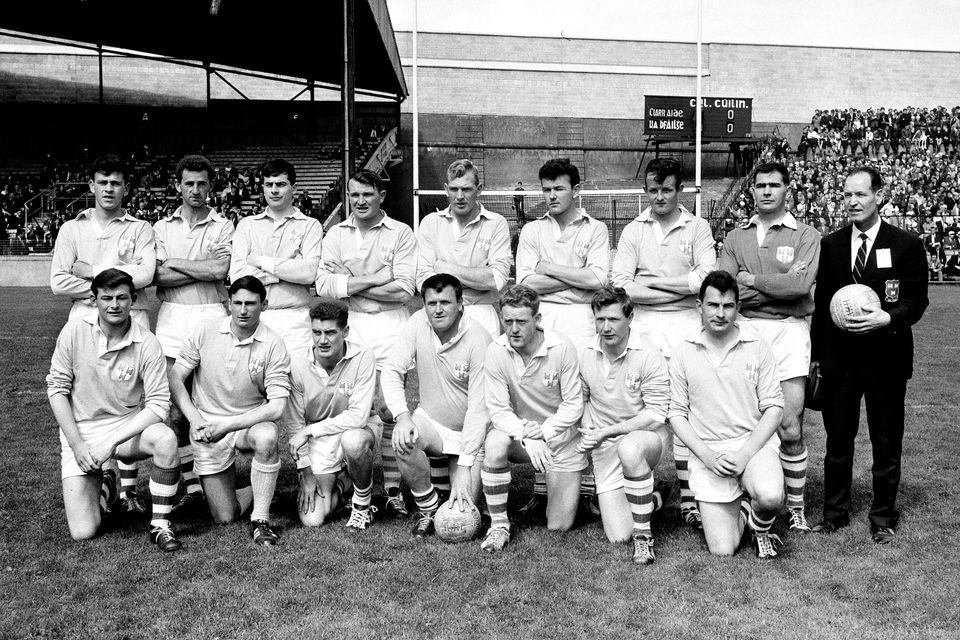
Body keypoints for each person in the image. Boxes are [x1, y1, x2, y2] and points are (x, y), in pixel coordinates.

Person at [811, 166, 929, 544]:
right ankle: (834, 514)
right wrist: (818, 358)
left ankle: (882, 516)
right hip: (841, 362)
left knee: (886, 440)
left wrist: (887, 317)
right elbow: (821, 306)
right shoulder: (830, 245)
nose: (852, 202)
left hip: (887, 359)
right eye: (846, 195)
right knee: (838, 442)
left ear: (879, 195)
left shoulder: (906, 245)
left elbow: (917, 301)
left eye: (860, 194)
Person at [610, 157, 717, 531]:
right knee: (644, 411)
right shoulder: (633, 231)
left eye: (666, 189)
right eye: (653, 190)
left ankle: (690, 498)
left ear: (680, 190)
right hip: (644, 333)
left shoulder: (698, 226)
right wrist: (681, 288)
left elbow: (705, 279)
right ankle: (647, 487)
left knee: (685, 414)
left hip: (688, 330)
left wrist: (651, 284)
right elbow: (622, 285)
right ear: (645, 191)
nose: (659, 196)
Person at [50, 154, 158, 514]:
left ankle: (127, 489)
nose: (109, 188)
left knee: (132, 399)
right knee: (90, 396)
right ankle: (105, 477)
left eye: (116, 183)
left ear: (125, 187)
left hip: (132, 320)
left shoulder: (140, 227)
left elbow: (144, 276)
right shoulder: (72, 228)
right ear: (92, 185)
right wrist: (103, 293)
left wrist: (93, 271)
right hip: (83, 320)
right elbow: (58, 281)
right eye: (103, 182)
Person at [46, 269, 182, 552]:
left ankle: (160, 525)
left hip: (125, 426)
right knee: (83, 532)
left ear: (133, 299)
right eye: (106, 297)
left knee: (166, 439)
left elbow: (158, 404)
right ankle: (107, 482)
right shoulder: (73, 331)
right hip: (82, 430)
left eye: (122, 297)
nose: (114, 305)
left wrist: (112, 441)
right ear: (93, 299)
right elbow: (57, 390)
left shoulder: (147, 342)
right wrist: (77, 444)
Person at [719, 161, 820, 533]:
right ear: (753, 190)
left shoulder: (806, 234)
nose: (766, 191)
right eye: (760, 185)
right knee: (746, 421)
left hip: (790, 332)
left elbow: (799, 288)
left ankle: (795, 507)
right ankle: (748, 493)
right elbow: (727, 291)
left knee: (790, 425)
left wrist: (751, 281)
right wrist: (775, 286)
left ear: (786, 189)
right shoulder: (735, 236)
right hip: (744, 331)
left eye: (773, 185)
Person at [315, 169, 417, 518]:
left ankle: (391, 488)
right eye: (354, 194)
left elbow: (404, 288)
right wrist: (376, 278)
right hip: (353, 325)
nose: (360, 201)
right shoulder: (335, 233)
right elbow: (324, 285)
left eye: (367, 195)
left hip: (391, 325)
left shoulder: (401, 232)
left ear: (381, 196)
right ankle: (354, 482)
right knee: (352, 409)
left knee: (389, 408)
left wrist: (350, 283)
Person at [668, 270, 786, 558]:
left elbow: (774, 408)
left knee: (770, 496)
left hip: (751, 446)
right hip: (711, 453)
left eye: (728, 306)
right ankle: (744, 507)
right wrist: (707, 457)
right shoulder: (683, 352)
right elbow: (676, 415)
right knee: (723, 550)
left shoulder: (757, 346)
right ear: (699, 306)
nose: (720, 314)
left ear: (738, 308)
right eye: (713, 305)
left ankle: (761, 528)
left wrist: (745, 455)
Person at [514, 158, 609, 514]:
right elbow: (525, 284)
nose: (551, 196)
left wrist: (548, 269)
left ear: (576, 190)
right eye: (546, 189)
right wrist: (575, 277)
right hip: (544, 325)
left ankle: (588, 488)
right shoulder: (532, 231)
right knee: (545, 400)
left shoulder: (595, 229)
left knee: (584, 402)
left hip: (583, 328)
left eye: (558, 189)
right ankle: (543, 488)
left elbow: (598, 281)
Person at [167, 276, 290, 546]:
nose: (243, 310)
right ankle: (255, 490)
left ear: (264, 305)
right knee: (225, 516)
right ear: (229, 303)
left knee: (267, 436)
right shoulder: (205, 330)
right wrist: (195, 419)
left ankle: (261, 519)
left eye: (251, 303)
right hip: (207, 426)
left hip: (246, 424)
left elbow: (278, 406)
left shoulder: (274, 343)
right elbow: (175, 378)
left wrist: (228, 426)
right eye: (237, 303)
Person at [381, 274, 492, 538]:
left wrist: (465, 465)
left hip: (471, 435)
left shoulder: (479, 338)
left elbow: (479, 409)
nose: (438, 309)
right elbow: (391, 370)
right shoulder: (417, 322)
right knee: (404, 439)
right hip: (433, 422)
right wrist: (403, 416)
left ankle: (473, 491)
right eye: (431, 303)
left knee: (466, 509)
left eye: (445, 302)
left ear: (460, 303)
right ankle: (429, 507)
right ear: (423, 305)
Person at [153, 154, 234, 513]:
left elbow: (221, 270)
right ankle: (190, 485)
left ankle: (214, 476)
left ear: (210, 186)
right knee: (174, 408)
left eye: (202, 183)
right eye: (189, 183)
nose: (196, 190)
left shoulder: (224, 226)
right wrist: (202, 268)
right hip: (172, 317)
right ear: (178, 185)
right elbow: (158, 276)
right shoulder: (160, 227)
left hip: (212, 316)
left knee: (209, 401)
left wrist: (177, 263)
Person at [479, 285, 586, 552]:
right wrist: (527, 435)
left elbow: (574, 405)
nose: (513, 329)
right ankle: (499, 525)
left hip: (559, 439)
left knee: (559, 525)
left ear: (537, 320)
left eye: (521, 321)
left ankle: (586, 489)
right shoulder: (495, 350)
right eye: (508, 321)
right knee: (494, 442)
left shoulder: (562, 347)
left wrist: (543, 432)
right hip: (519, 437)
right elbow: (498, 410)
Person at [578, 286, 671, 564]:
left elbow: (656, 414)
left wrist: (606, 432)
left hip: (646, 438)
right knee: (618, 534)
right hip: (605, 445)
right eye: (600, 320)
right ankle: (654, 497)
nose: (605, 328)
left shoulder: (649, 353)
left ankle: (644, 537)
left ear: (630, 317)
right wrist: (589, 434)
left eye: (613, 320)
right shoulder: (585, 352)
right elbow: (583, 401)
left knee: (630, 449)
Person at [284, 300, 379, 530]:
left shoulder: (363, 356)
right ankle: (343, 483)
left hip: (357, 428)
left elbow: (358, 416)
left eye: (330, 332)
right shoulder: (296, 364)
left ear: (345, 331)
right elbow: (296, 426)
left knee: (354, 441)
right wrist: (306, 474)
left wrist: (310, 430)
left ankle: (362, 505)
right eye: (316, 332)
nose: (322, 340)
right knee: (313, 519)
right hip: (318, 438)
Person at [230, 158, 323, 357]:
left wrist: (260, 263)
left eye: (281, 184)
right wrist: (288, 270)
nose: (274, 190)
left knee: (295, 382)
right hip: (254, 318)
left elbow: (308, 274)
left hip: (295, 320)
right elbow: (237, 276)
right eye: (269, 185)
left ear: (293, 187)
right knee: (253, 385)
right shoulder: (247, 224)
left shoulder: (310, 225)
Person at [415, 159, 511, 337]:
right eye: (454, 189)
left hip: (481, 315)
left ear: (479, 189)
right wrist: (477, 277)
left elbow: (496, 280)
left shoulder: (496, 223)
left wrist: (444, 267)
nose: (459, 196)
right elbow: (422, 280)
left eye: (466, 189)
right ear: (446, 189)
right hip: (439, 313)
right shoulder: (430, 223)